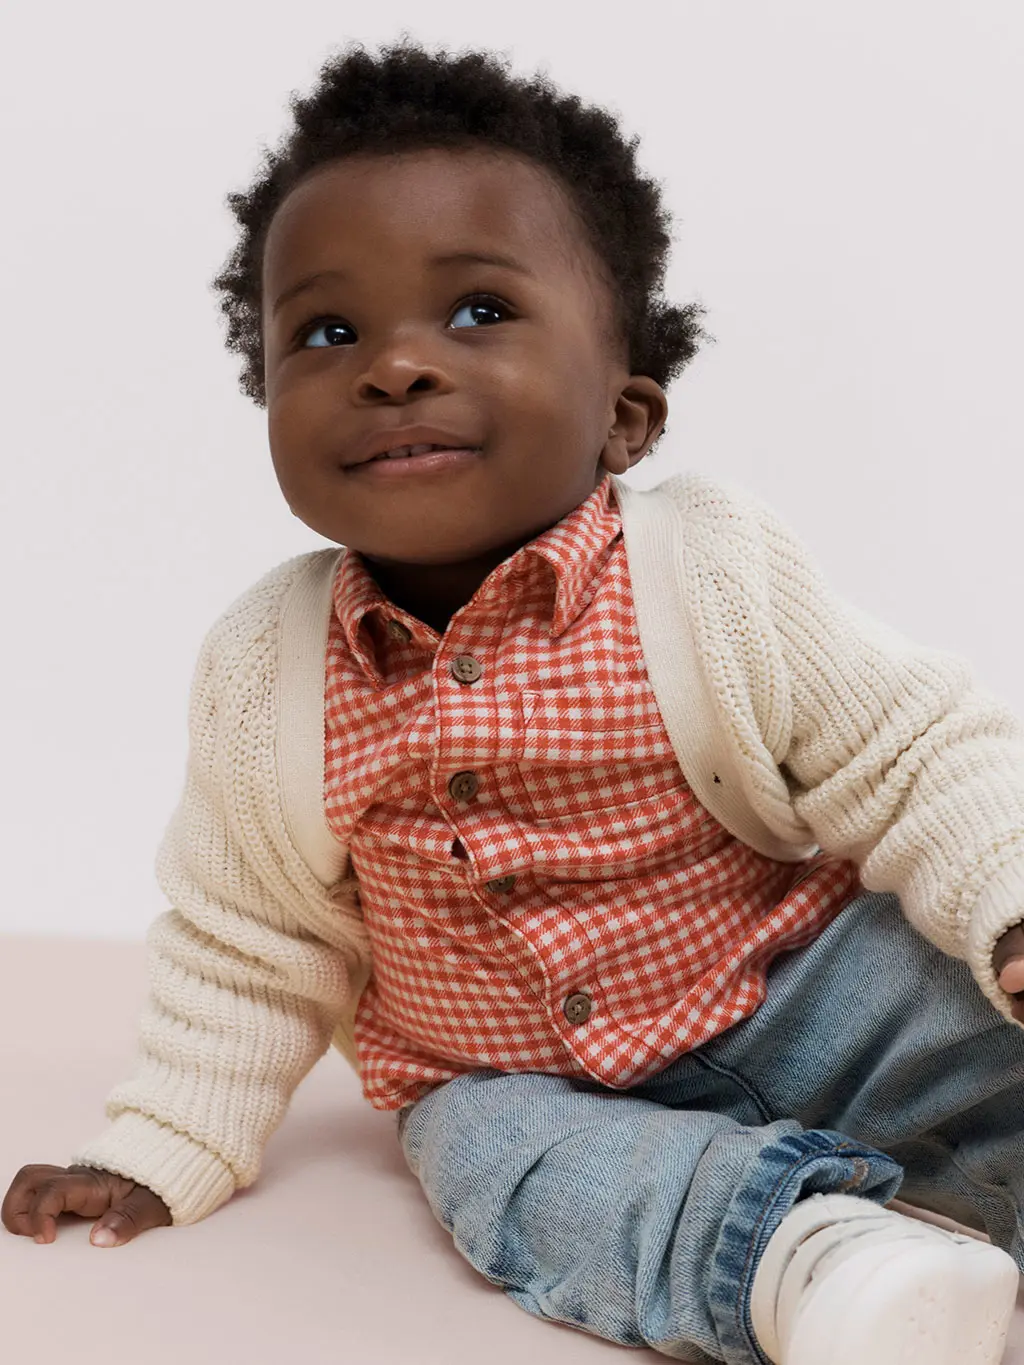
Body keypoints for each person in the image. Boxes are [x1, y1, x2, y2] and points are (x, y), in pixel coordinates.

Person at [5, 38, 1024, 1365]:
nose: (394, 367)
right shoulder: (268, 665)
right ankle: (818, 1270)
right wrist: (158, 1146)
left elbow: (911, 753)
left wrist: (1010, 904)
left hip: (809, 986)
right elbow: (246, 939)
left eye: (477, 310)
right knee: (504, 1172)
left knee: (966, 1037)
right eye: (327, 333)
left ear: (626, 416)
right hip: (512, 1078)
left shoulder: (708, 571)